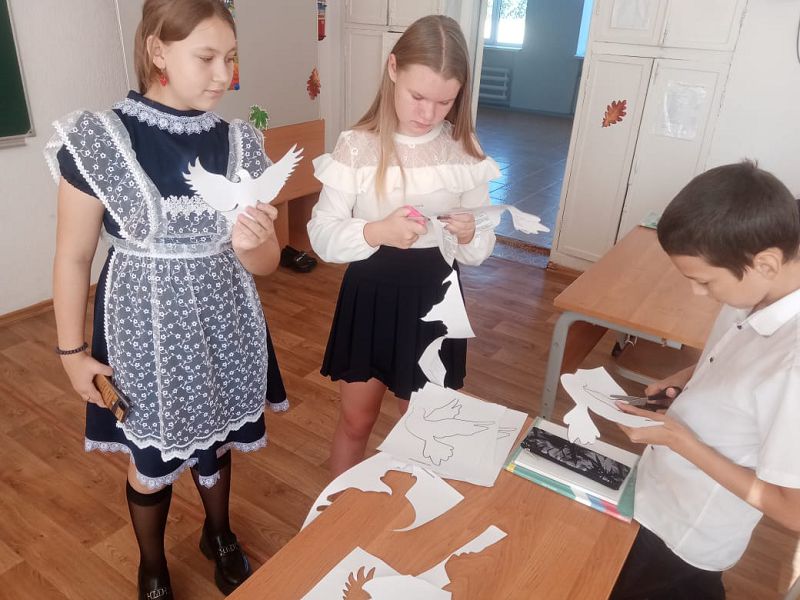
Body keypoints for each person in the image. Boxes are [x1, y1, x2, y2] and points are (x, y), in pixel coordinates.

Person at [47, 1, 288, 597]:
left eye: (230, 58)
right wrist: (72, 354)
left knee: (218, 439)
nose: (223, 75)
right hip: (143, 332)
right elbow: (73, 257)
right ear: (158, 51)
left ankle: (219, 534)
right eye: (206, 57)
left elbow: (267, 261)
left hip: (225, 320)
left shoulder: (240, 142)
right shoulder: (101, 139)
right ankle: (152, 564)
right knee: (151, 461)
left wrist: (254, 243)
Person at [308, 15, 500, 477]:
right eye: (418, 96)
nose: (428, 114)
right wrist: (376, 232)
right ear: (393, 69)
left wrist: (470, 234)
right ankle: (338, 510)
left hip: (436, 299)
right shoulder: (358, 145)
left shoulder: (463, 149)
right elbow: (322, 234)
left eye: (444, 101)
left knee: (422, 428)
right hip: (370, 296)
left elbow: (480, 247)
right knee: (356, 420)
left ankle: (410, 510)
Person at [610, 161, 800, 599]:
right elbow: (733, 355)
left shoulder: (792, 365)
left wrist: (682, 442)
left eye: (704, 281)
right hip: (659, 492)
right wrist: (686, 378)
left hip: (690, 533)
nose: (697, 293)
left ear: (766, 262)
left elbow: (793, 511)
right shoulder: (754, 290)